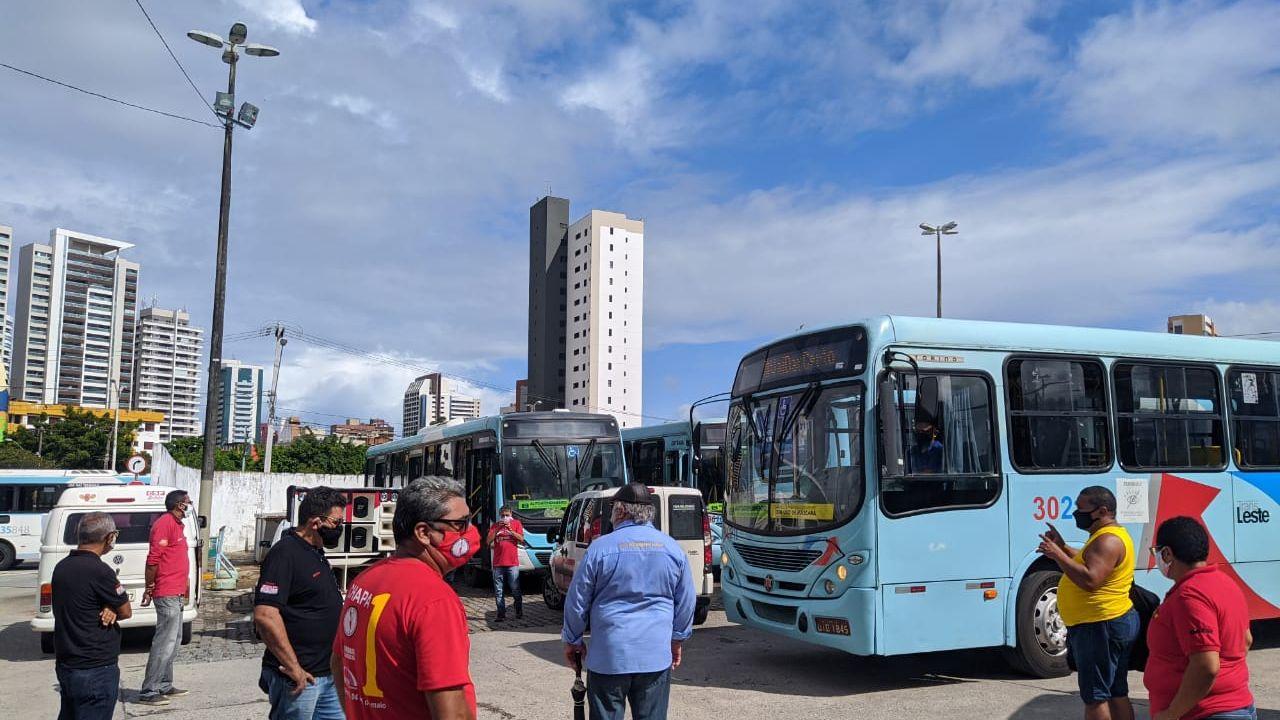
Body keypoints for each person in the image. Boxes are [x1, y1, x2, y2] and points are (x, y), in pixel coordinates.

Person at [332, 476, 478, 720]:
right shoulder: (434, 599)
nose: (470, 532)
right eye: (460, 524)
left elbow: (338, 662)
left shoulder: (364, 580)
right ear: (423, 532)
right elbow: (450, 709)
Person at [562, 482, 695, 720]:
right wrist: (677, 639)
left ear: (621, 511)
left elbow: (577, 600)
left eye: (612, 509)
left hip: (609, 656)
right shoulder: (673, 550)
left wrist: (573, 639)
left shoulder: (599, 549)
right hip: (654, 655)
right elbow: (685, 602)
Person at [1037, 485, 1138, 720]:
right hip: (1106, 622)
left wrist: (1057, 555)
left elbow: (1091, 579)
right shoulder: (1105, 537)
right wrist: (1062, 546)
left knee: (1095, 698)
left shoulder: (1108, 541)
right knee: (1115, 691)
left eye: (1082, 509)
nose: (1076, 513)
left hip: (1099, 625)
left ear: (1102, 511)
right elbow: (1088, 561)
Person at [1144, 517, 1255, 720]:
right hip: (1230, 706)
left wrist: (1171, 714)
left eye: (1156, 552)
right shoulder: (1224, 582)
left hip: (1206, 712)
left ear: (1167, 553)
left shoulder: (1190, 596)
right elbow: (1246, 640)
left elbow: (1206, 665)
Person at [254, 486, 348, 720]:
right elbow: (265, 615)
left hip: (328, 675)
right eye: (337, 523)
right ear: (316, 522)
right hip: (300, 678)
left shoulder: (316, 552)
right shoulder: (285, 553)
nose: (340, 529)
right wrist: (293, 667)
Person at [52, 512, 133, 720]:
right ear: (110, 537)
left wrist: (109, 606)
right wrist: (114, 606)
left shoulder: (61, 567)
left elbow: (83, 602)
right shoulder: (101, 571)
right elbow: (126, 611)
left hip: (67, 664)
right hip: (96, 668)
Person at [138, 489, 191, 706]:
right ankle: (149, 690)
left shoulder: (177, 525)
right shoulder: (164, 524)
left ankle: (164, 684)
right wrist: (149, 587)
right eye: (187, 502)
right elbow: (153, 560)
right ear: (179, 505)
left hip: (176, 591)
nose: (189, 506)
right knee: (164, 643)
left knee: (175, 640)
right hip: (166, 591)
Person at [486, 504, 524, 622]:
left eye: (507, 515)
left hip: (512, 563)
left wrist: (510, 530)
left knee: (515, 589)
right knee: (498, 590)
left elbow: (521, 539)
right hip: (498, 563)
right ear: (499, 516)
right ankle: (501, 614)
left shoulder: (516, 523)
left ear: (511, 515)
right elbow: (488, 541)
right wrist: (497, 529)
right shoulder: (495, 526)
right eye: (502, 516)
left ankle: (518, 611)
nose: (505, 517)